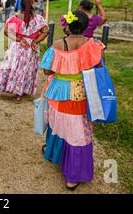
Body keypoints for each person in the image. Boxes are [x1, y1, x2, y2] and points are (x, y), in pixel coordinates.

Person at [40, 10, 105, 191]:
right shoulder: (93, 45)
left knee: (59, 126)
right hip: (82, 93)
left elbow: (46, 71)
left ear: (67, 26)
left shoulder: (58, 45)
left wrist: (63, 68)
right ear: (85, 26)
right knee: (78, 132)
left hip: (59, 93)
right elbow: (99, 67)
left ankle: (57, 155)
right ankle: (73, 176)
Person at [0, 0, 49, 103]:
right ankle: (20, 93)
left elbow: (6, 32)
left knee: (14, 68)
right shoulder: (38, 19)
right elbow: (45, 31)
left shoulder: (14, 18)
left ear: (20, 6)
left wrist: (19, 39)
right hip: (30, 48)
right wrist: (35, 41)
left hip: (17, 46)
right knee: (25, 70)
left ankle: (11, 89)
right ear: (32, 6)